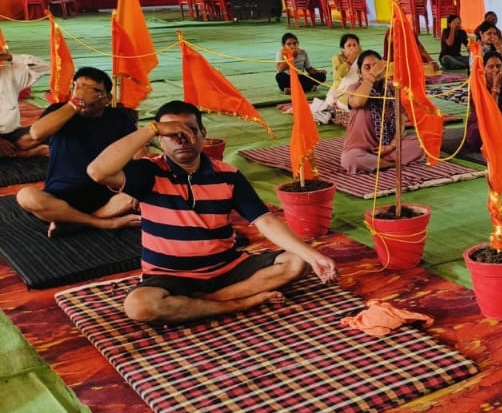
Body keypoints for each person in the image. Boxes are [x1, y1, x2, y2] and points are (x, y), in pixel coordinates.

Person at [86, 100, 338, 324]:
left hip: (227, 269)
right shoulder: (148, 173)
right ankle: (236, 303)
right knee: (139, 306)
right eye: (171, 134)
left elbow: (265, 220)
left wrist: (313, 256)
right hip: (170, 276)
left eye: (189, 131)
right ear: (160, 140)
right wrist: (151, 129)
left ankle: (205, 301)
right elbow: (97, 171)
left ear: (203, 135)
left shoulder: (227, 174)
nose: (182, 139)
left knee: (298, 261)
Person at [17, 68, 139, 236]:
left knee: (139, 192)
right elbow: (37, 133)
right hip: (61, 194)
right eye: (79, 87)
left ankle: (75, 222)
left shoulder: (118, 117)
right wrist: (75, 104)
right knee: (26, 196)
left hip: (108, 193)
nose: (85, 94)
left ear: (107, 99)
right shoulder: (59, 111)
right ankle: (102, 222)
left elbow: (138, 151)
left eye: (95, 90)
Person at [338, 50, 427, 174]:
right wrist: (372, 75)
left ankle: (379, 163)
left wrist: (391, 146)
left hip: (389, 148)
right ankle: (390, 163)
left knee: (421, 143)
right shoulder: (354, 88)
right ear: (359, 73)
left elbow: (401, 120)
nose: (373, 70)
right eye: (367, 67)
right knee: (350, 159)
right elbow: (358, 102)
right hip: (361, 150)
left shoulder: (393, 89)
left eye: (376, 66)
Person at [0, 51, 50, 159]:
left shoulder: (9, 74)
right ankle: (26, 154)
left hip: (14, 134)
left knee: (44, 133)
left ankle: (13, 152)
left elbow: (42, 67)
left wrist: (10, 57)